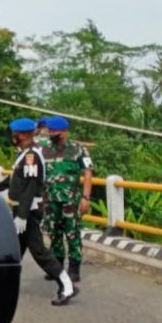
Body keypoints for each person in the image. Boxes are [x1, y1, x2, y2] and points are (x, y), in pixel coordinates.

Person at [2, 118, 77, 306]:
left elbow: (30, 186)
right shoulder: (25, 154)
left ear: (26, 135)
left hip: (29, 210)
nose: (14, 137)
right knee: (13, 251)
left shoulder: (31, 156)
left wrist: (22, 216)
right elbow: (15, 181)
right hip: (22, 208)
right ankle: (2, 286)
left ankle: (67, 285)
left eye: (16, 134)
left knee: (39, 251)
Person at [41, 116, 93, 283]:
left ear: (63, 131)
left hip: (72, 199)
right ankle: (56, 267)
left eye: (53, 131)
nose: (50, 134)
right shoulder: (44, 149)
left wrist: (86, 197)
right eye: (49, 131)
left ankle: (74, 268)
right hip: (50, 199)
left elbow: (88, 173)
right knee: (53, 232)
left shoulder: (78, 149)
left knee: (72, 233)